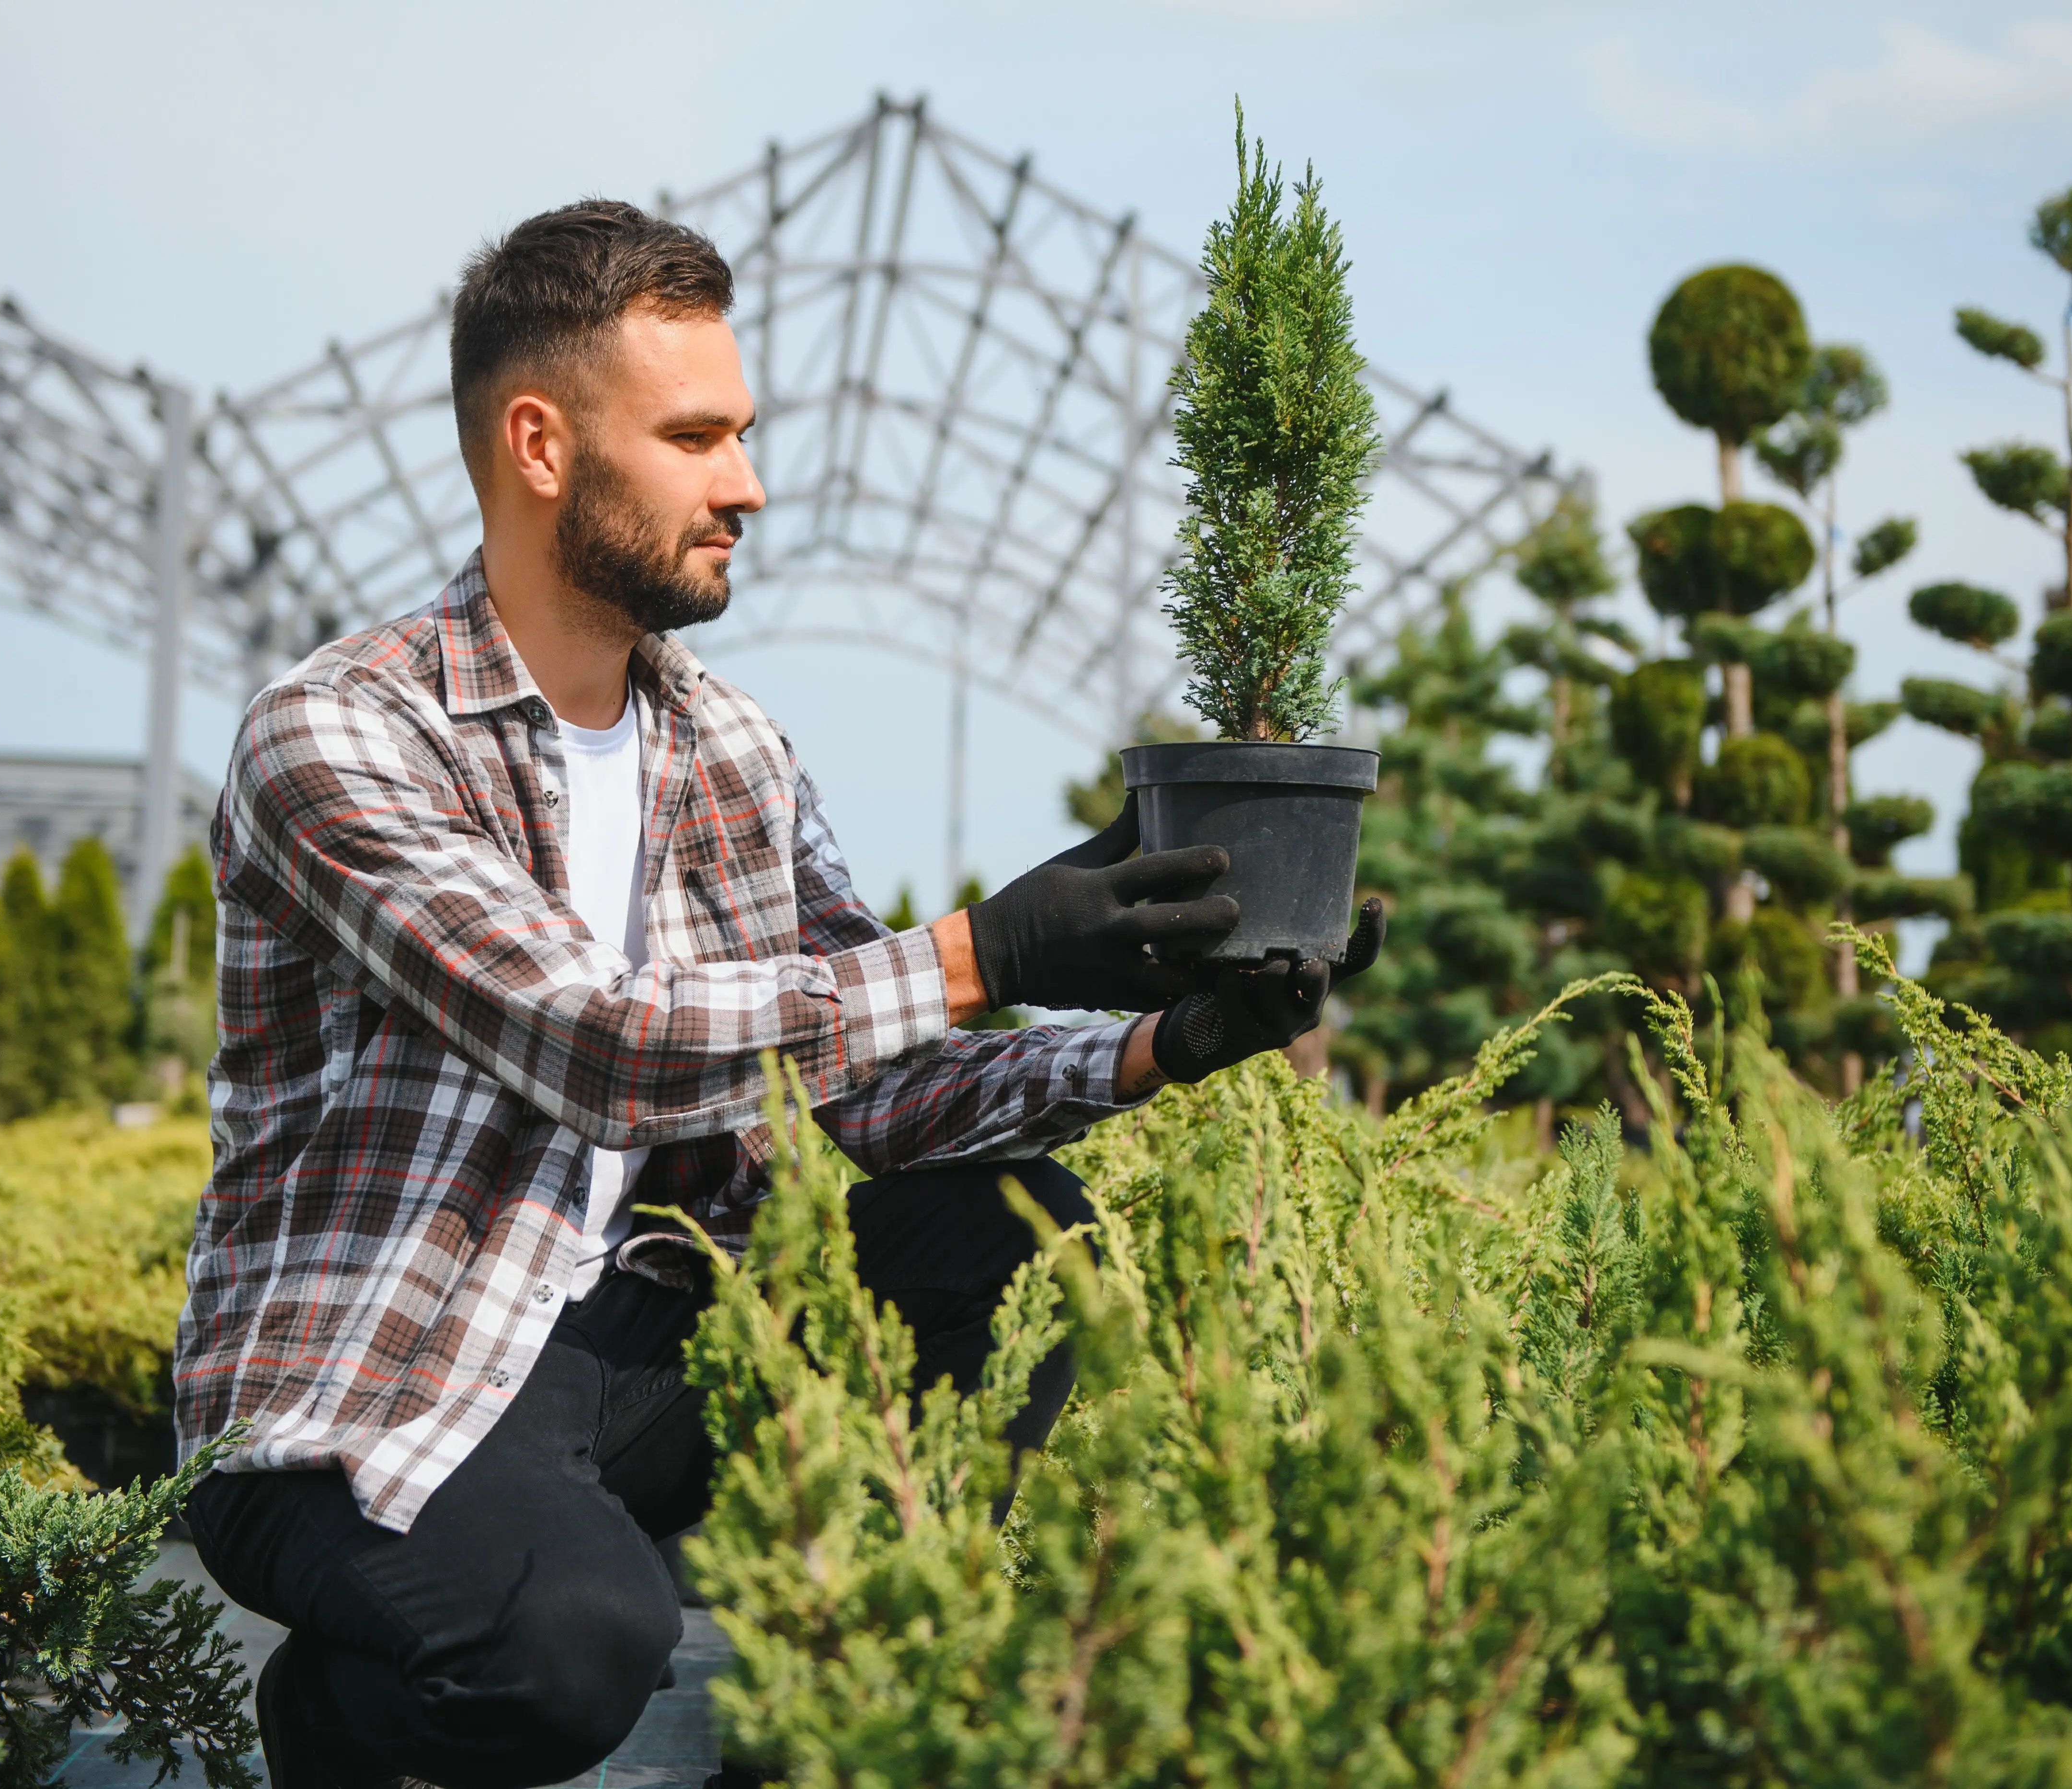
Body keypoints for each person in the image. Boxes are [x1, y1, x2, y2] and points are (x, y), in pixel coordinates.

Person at [171, 198, 1381, 1789]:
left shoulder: (731, 747)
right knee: (571, 1650)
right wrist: (979, 952)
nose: (744, 482)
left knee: (1017, 1229)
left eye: (740, 432)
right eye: (694, 436)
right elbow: (589, 1044)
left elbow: (856, 1096)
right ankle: (338, 1721)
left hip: (657, 1322)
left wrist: (1157, 1041)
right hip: (373, 1369)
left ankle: (830, 1729)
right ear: (540, 444)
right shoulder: (337, 736)